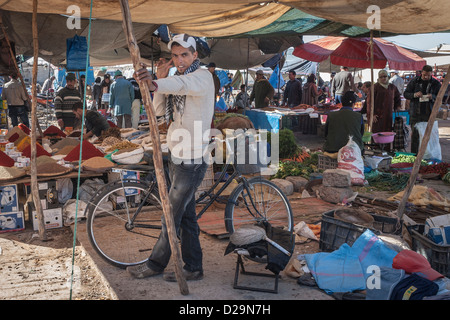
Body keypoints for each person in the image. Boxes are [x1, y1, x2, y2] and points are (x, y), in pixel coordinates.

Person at [128, 33, 214, 282]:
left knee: (171, 214)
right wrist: (161, 82)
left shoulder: (202, 77)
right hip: (175, 154)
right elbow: (158, 113)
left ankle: (155, 264)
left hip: (193, 157)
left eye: (184, 55)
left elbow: (184, 86)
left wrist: (156, 83)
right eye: (175, 56)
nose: (179, 60)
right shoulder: (175, 79)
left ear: (195, 55)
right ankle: (194, 267)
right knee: (185, 216)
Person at [404, 64, 441, 154]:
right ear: (421, 73)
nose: (426, 77)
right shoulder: (414, 81)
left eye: (428, 75)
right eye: (424, 75)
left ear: (431, 74)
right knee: (415, 136)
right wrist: (414, 95)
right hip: (415, 113)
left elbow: (441, 97)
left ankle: (427, 155)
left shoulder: (436, 83)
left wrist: (433, 96)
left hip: (429, 113)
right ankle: (414, 155)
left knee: (428, 135)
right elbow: (406, 94)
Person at [366, 70, 402, 134]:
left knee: (387, 133)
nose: (383, 78)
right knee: (377, 133)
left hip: (388, 115)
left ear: (388, 77)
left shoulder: (392, 87)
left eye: (385, 76)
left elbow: (397, 98)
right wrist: (372, 114)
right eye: (381, 77)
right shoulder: (374, 87)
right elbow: (369, 102)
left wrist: (397, 106)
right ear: (378, 78)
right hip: (377, 116)